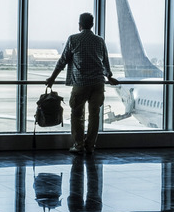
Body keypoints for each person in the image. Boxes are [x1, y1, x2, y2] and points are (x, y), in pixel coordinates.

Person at [46, 12, 119, 154]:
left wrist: (52, 78)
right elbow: (105, 62)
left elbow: (62, 61)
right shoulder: (99, 41)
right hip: (98, 83)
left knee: (77, 114)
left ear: (80, 24)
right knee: (94, 115)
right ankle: (90, 146)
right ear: (92, 25)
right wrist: (109, 77)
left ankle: (78, 145)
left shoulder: (73, 39)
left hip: (80, 83)